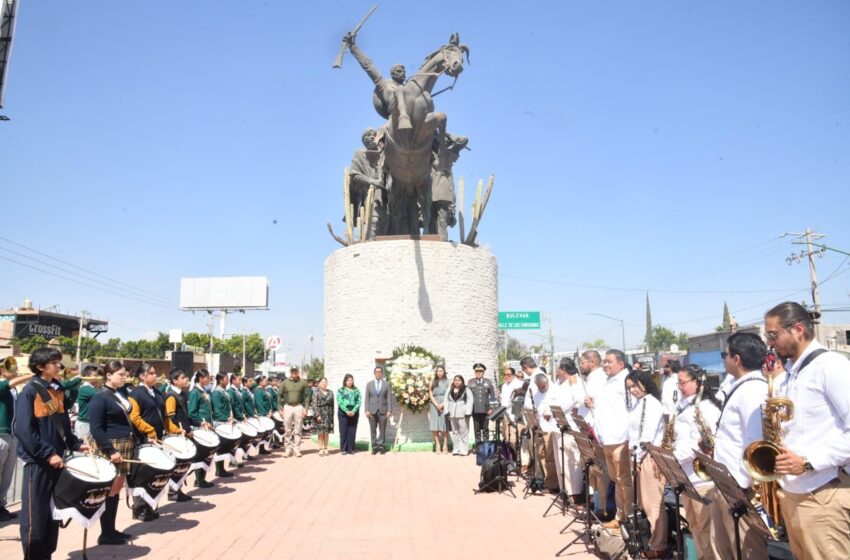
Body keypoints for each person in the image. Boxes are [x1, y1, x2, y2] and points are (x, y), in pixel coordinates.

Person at [765, 302, 850, 560]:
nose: (769, 343)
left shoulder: (831, 366)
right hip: (795, 494)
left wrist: (808, 462)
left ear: (798, 329)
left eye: (773, 335)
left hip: (823, 494)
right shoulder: (793, 374)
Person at [15, 348, 90, 559]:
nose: (59, 366)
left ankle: (47, 553)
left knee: (53, 513)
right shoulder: (29, 391)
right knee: (35, 515)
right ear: (41, 367)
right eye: (54, 362)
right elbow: (23, 430)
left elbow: (62, 425)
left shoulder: (56, 389)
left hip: (57, 461)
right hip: (38, 463)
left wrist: (75, 444)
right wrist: (47, 453)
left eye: (59, 362)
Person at [709, 332, 770, 560]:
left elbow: (755, 443)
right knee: (725, 547)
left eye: (725, 354)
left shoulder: (753, 389)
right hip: (727, 481)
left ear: (736, 359)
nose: (723, 359)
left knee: (746, 549)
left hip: (739, 486)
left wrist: (744, 486)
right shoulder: (740, 386)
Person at [673, 364, 722, 560]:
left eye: (683, 382)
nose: (679, 386)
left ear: (697, 382)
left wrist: (673, 457)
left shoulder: (706, 408)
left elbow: (699, 443)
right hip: (686, 477)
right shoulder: (684, 406)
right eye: (678, 382)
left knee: (707, 530)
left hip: (702, 479)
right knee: (694, 526)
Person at [88, 360, 134, 544]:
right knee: (110, 490)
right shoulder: (100, 397)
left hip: (124, 443)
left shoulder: (118, 394)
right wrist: (111, 450)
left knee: (116, 490)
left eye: (124, 374)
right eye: (120, 375)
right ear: (108, 375)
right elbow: (96, 428)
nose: (124, 377)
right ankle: (105, 533)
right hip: (111, 445)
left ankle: (111, 529)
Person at [625, 369, 666, 558]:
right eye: (629, 388)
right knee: (643, 503)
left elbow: (647, 436)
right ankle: (648, 540)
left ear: (643, 383)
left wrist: (639, 457)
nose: (632, 390)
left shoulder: (652, 404)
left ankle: (658, 545)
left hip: (649, 457)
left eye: (634, 386)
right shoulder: (638, 403)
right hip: (638, 456)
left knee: (653, 504)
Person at [588, 349, 632, 530]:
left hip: (620, 439)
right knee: (617, 480)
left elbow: (630, 411)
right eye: (604, 362)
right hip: (606, 439)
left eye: (609, 362)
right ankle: (619, 516)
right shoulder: (608, 381)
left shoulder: (626, 382)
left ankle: (626, 518)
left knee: (624, 481)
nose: (605, 365)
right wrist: (593, 405)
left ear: (621, 364)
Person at [343, 32, 412, 128]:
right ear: (392, 73)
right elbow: (368, 66)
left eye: (404, 71)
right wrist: (353, 47)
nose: (403, 73)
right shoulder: (384, 84)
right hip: (395, 119)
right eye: (399, 71)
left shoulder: (409, 88)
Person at [0, 357, 31, 522]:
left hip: (12, 435)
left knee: (7, 475)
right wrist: (31, 374)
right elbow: (8, 384)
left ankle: (1, 506)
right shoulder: (2, 385)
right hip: (1, 434)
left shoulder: (13, 389)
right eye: (8, 367)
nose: (13, 370)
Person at [551, 358, 584, 499]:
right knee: (561, 462)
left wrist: (555, 408)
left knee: (572, 461)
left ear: (564, 370)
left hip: (570, 427)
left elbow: (576, 401)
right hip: (558, 427)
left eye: (559, 369)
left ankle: (574, 493)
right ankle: (565, 490)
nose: (557, 372)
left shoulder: (575, 382)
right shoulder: (561, 383)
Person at [523, 373, 561, 492]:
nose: (542, 388)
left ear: (547, 382)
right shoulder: (535, 393)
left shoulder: (555, 390)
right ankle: (545, 480)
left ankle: (553, 484)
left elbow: (558, 406)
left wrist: (549, 413)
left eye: (544, 386)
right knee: (541, 455)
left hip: (551, 428)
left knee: (550, 458)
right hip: (539, 427)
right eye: (540, 386)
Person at [163, 368, 194, 501]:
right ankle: (173, 491)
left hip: (185, 433)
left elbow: (186, 416)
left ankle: (177, 489)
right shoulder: (171, 396)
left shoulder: (183, 394)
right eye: (182, 378)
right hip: (177, 434)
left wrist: (197, 424)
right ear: (175, 381)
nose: (186, 379)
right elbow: (171, 417)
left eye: (186, 377)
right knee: (178, 465)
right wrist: (181, 430)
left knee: (184, 464)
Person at [188, 370, 216, 488]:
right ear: (200, 378)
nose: (209, 380)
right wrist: (202, 422)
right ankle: (199, 480)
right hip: (201, 427)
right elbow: (192, 412)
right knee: (201, 453)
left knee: (207, 453)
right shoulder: (195, 392)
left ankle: (201, 479)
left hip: (207, 426)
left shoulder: (202, 391)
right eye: (207, 377)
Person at [279, 366, 310, 458]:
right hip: (287, 407)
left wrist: (306, 408)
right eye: (292, 371)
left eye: (295, 371)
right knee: (287, 429)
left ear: (298, 372)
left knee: (298, 429)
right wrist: (279, 408)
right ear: (290, 372)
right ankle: (288, 449)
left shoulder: (303, 383)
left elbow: (307, 396)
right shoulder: (284, 383)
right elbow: (279, 395)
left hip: (298, 407)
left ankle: (297, 449)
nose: (294, 373)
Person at [210, 372, 237, 474]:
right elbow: (217, 410)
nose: (227, 380)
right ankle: (219, 470)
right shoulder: (216, 393)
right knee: (221, 447)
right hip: (221, 422)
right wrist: (226, 419)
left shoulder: (223, 392)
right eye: (226, 378)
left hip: (227, 421)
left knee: (225, 446)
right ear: (221, 380)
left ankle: (222, 469)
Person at [444, 375, 474, 456]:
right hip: (452, 414)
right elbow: (446, 400)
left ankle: (464, 449)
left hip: (463, 414)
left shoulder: (466, 389)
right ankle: (456, 449)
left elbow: (470, 401)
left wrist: (468, 412)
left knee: (463, 432)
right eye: (455, 380)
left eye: (459, 380)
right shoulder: (450, 389)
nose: (457, 381)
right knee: (455, 432)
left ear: (462, 381)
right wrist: (446, 411)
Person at [365, 366, 391, 454]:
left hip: (383, 410)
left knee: (382, 429)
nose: (378, 373)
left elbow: (389, 398)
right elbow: (367, 398)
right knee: (373, 430)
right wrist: (366, 410)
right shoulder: (369, 384)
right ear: (374, 373)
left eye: (380, 371)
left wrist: (389, 410)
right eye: (377, 372)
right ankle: (374, 446)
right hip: (372, 411)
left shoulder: (386, 384)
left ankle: (382, 446)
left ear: (382, 373)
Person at [467, 362, 495, 446]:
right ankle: (478, 446)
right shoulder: (470, 382)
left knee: (486, 428)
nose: (478, 373)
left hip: (486, 410)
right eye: (476, 372)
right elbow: (468, 396)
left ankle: (486, 446)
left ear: (483, 373)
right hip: (475, 409)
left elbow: (492, 396)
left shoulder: (488, 382)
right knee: (477, 429)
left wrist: (491, 408)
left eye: (480, 372)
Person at [73, 364, 100, 440]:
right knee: (85, 449)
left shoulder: (92, 388)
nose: (97, 377)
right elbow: (102, 395)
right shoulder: (85, 388)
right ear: (87, 377)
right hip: (84, 424)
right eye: (95, 375)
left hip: (90, 423)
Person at [428, 365, 450, 453]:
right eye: (438, 371)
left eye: (441, 371)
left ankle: (445, 445)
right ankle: (437, 445)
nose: (440, 372)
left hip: (445, 403)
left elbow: (449, 394)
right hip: (434, 405)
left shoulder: (448, 382)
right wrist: (437, 404)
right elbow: (430, 393)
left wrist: (443, 404)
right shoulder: (432, 382)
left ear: (444, 372)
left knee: (445, 426)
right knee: (435, 425)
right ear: (436, 372)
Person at [337, 374, 361, 455]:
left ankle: (351, 448)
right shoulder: (341, 390)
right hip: (343, 413)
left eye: (351, 380)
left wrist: (354, 411)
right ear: (345, 381)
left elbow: (359, 401)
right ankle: (343, 448)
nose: (350, 381)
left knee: (352, 431)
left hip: (354, 413)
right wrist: (346, 410)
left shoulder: (356, 390)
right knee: (343, 431)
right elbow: (339, 401)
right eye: (348, 380)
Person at [499, 366, 523, 443]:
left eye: (508, 375)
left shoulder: (519, 384)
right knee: (506, 436)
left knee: (514, 438)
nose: (506, 376)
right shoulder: (504, 385)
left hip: (515, 415)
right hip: (505, 414)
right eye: (505, 374)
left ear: (513, 375)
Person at [312, 377, 334, 456]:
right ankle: (320, 449)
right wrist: (317, 415)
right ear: (319, 383)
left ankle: (326, 448)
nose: (324, 383)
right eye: (322, 382)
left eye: (325, 382)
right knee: (321, 433)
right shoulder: (316, 392)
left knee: (326, 433)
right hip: (320, 414)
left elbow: (332, 405)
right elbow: (314, 404)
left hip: (328, 414)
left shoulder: (330, 392)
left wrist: (332, 416)